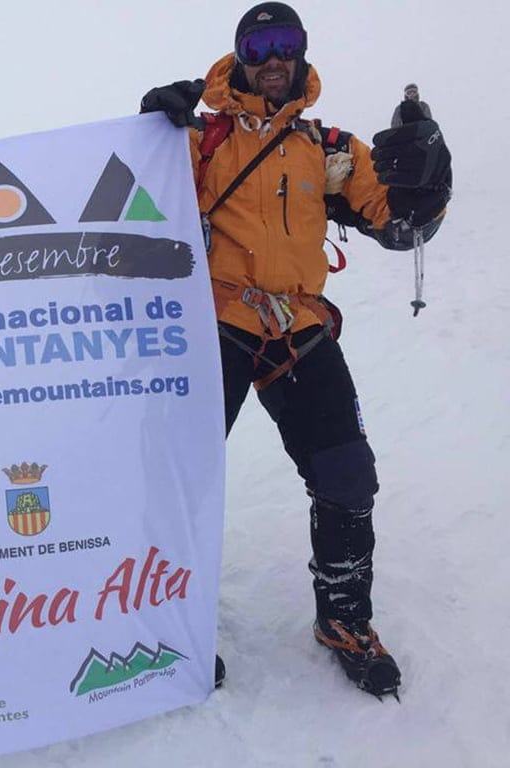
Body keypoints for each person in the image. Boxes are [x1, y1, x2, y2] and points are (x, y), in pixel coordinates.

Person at [139, 2, 451, 698]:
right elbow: (137, 196)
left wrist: (427, 184)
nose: (274, 57)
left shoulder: (329, 147)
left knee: (348, 478)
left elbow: (395, 221)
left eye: (286, 43)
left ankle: (343, 618)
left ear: (301, 54)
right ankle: (165, 625)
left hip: (297, 327)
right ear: (242, 54)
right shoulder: (204, 138)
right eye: (260, 43)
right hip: (216, 322)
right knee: (177, 480)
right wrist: (149, 128)